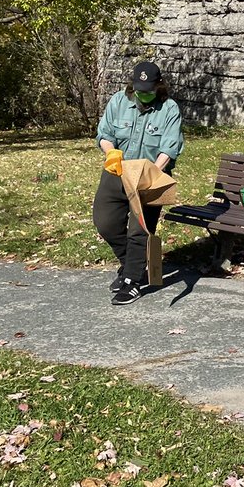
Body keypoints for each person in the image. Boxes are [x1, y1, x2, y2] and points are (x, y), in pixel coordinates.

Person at [94, 61, 184, 306]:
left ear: (158, 86)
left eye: (148, 89)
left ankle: (131, 282)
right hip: (117, 170)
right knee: (105, 223)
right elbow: (104, 134)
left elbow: (169, 148)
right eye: (138, 89)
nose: (143, 94)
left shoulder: (169, 109)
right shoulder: (118, 101)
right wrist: (111, 153)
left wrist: (152, 174)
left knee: (139, 230)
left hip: (148, 176)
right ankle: (131, 265)